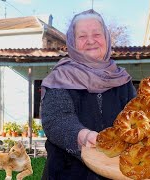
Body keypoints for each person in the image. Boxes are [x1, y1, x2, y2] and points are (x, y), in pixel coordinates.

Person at [40, 9, 136, 179]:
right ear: (72, 42)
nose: (91, 41)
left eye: (97, 34)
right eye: (82, 36)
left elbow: (138, 119)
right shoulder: (60, 78)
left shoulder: (123, 80)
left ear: (106, 38)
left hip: (116, 171)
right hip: (68, 173)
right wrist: (83, 136)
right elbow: (56, 120)